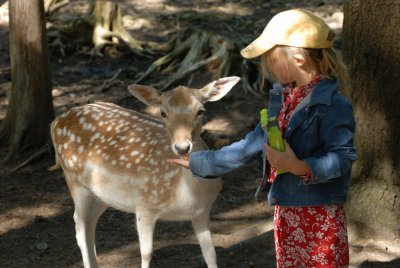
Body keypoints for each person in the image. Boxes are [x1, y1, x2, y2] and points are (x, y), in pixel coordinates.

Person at [167, 8, 357, 268]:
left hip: (320, 217)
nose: (266, 66)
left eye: (271, 58)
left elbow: (342, 157)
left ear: (299, 58)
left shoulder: (334, 104)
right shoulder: (283, 100)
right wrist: (200, 162)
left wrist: (298, 166)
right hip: (286, 212)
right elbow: (250, 145)